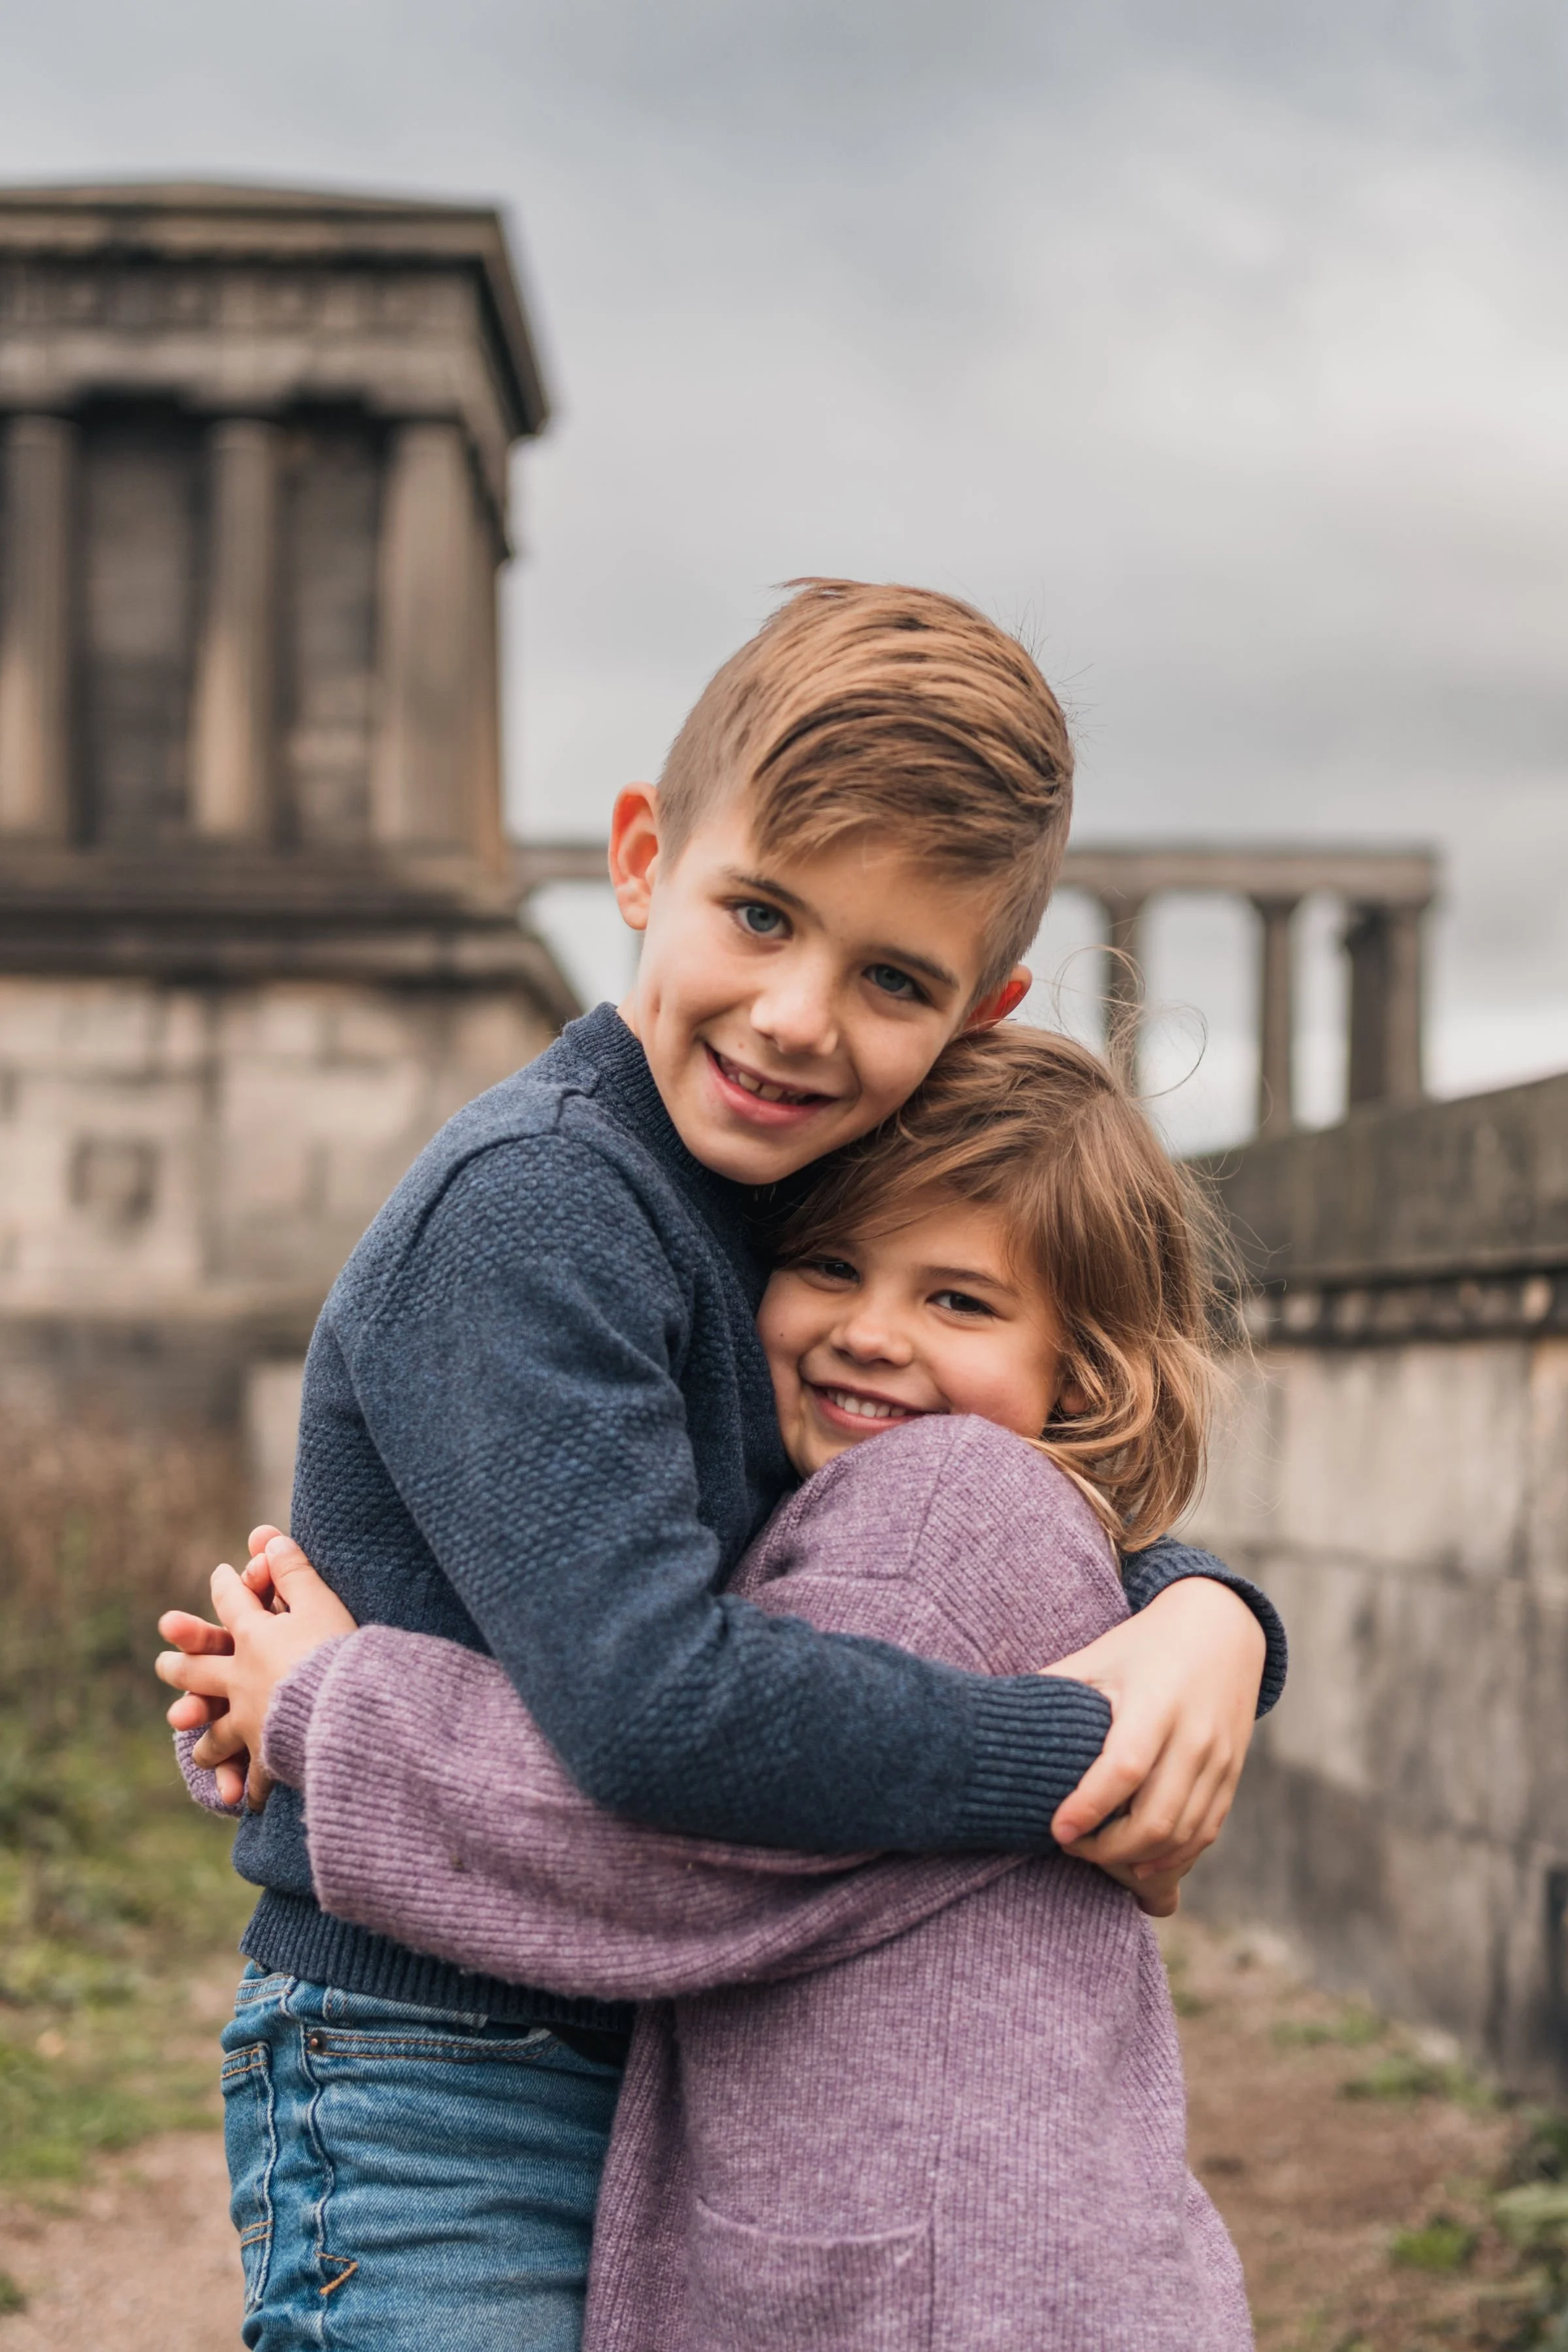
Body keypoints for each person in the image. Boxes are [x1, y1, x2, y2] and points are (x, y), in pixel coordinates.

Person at [160, 580, 1283, 2349]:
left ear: (978, 1015)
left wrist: (1203, 1614)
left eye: (891, 979)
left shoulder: (778, 1204)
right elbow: (663, 1715)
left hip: (649, 2037)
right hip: (440, 2078)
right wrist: (1082, 1745)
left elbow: (919, 1518)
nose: (794, 1017)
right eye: (758, 915)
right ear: (640, 858)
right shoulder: (540, 1206)